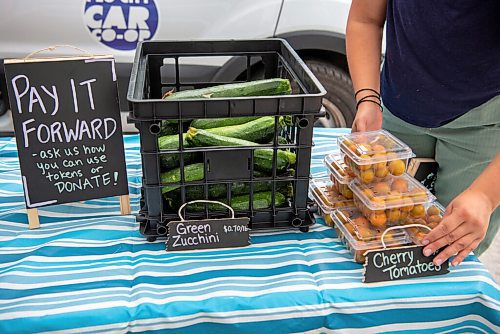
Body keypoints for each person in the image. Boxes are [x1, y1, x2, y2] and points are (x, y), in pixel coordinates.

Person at [345, 0, 500, 271]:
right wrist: (368, 99)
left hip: (483, 126)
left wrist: (485, 196)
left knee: (449, 252)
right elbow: (365, 19)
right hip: (396, 110)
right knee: (376, 231)